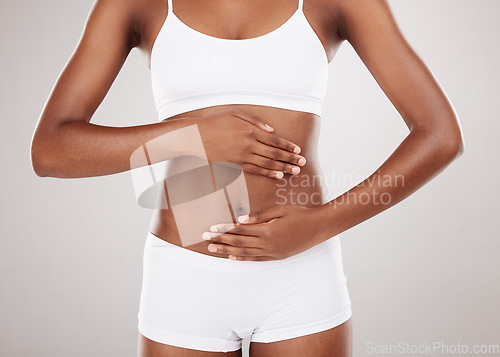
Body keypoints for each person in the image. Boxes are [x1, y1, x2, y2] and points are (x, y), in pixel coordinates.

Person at [30, 0, 464, 356]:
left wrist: (321, 225)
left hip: (301, 271)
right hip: (185, 276)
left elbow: (440, 135)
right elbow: (50, 151)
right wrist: (189, 137)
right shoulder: (136, 5)